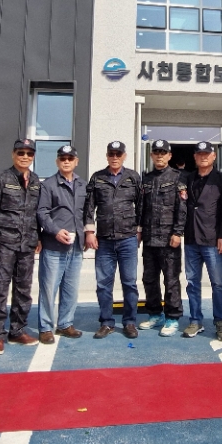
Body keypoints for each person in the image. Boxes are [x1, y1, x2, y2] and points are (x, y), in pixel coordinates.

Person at [0, 138, 42, 354]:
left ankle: (17, 331)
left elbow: (36, 213)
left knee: (23, 290)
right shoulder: (1, 179)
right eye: (20, 153)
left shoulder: (35, 181)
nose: (25, 157)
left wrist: (38, 237)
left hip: (27, 244)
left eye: (29, 153)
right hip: (5, 243)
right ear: (13, 154)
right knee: (0, 289)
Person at [84, 140, 143, 339]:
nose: (115, 157)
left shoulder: (133, 177)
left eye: (118, 154)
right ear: (107, 156)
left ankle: (129, 322)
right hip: (104, 240)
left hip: (128, 238)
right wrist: (89, 232)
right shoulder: (97, 177)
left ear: (124, 156)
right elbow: (89, 206)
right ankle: (106, 322)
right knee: (103, 284)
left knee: (129, 283)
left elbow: (141, 206)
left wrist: (139, 230)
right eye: (111, 154)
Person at [36, 144, 87, 344]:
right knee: (49, 289)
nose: (66, 161)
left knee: (71, 289)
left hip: (76, 246)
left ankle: (65, 324)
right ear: (57, 161)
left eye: (70, 158)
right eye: (63, 158)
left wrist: (87, 233)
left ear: (76, 161)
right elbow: (42, 212)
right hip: (53, 246)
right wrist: (56, 231)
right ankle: (46, 327)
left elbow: (86, 212)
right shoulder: (48, 185)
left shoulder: (82, 185)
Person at [138, 139, 187, 336]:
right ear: (151, 155)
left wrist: (178, 232)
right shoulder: (146, 178)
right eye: (156, 152)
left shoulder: (178, 177)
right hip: (150, 239)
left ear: (169, 156)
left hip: (169, 239)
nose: (159, 156)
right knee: (149, 279)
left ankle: (172, 317)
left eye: (163, 152)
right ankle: (155, 314)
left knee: (171, 280)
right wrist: (139, 230)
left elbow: (182, 208)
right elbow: (141, 208)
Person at [182, 140, 222, 339]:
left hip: (213, 240)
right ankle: (195, 320)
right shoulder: (187, 178)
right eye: (199, 154)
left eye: (206, 154)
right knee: (192, 283)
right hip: (191, 239)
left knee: (217, 283)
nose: (203, 157)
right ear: (195, 157)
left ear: (214, 156)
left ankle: (220, 322)